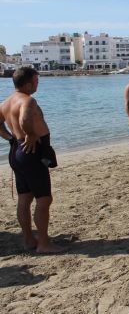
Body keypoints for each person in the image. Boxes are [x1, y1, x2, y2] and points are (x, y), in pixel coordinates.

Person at [0, 67, 62, 253]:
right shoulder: (28, 100)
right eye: (36, 81)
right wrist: (31, 134)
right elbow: (25, 119)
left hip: (17, 151)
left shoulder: (6, 102)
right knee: (44, 199)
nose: (37, 84)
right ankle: (43, 243)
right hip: (31, 151)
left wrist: (11, 138)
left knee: (25, 197)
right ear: (27, 84)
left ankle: (28, 240)